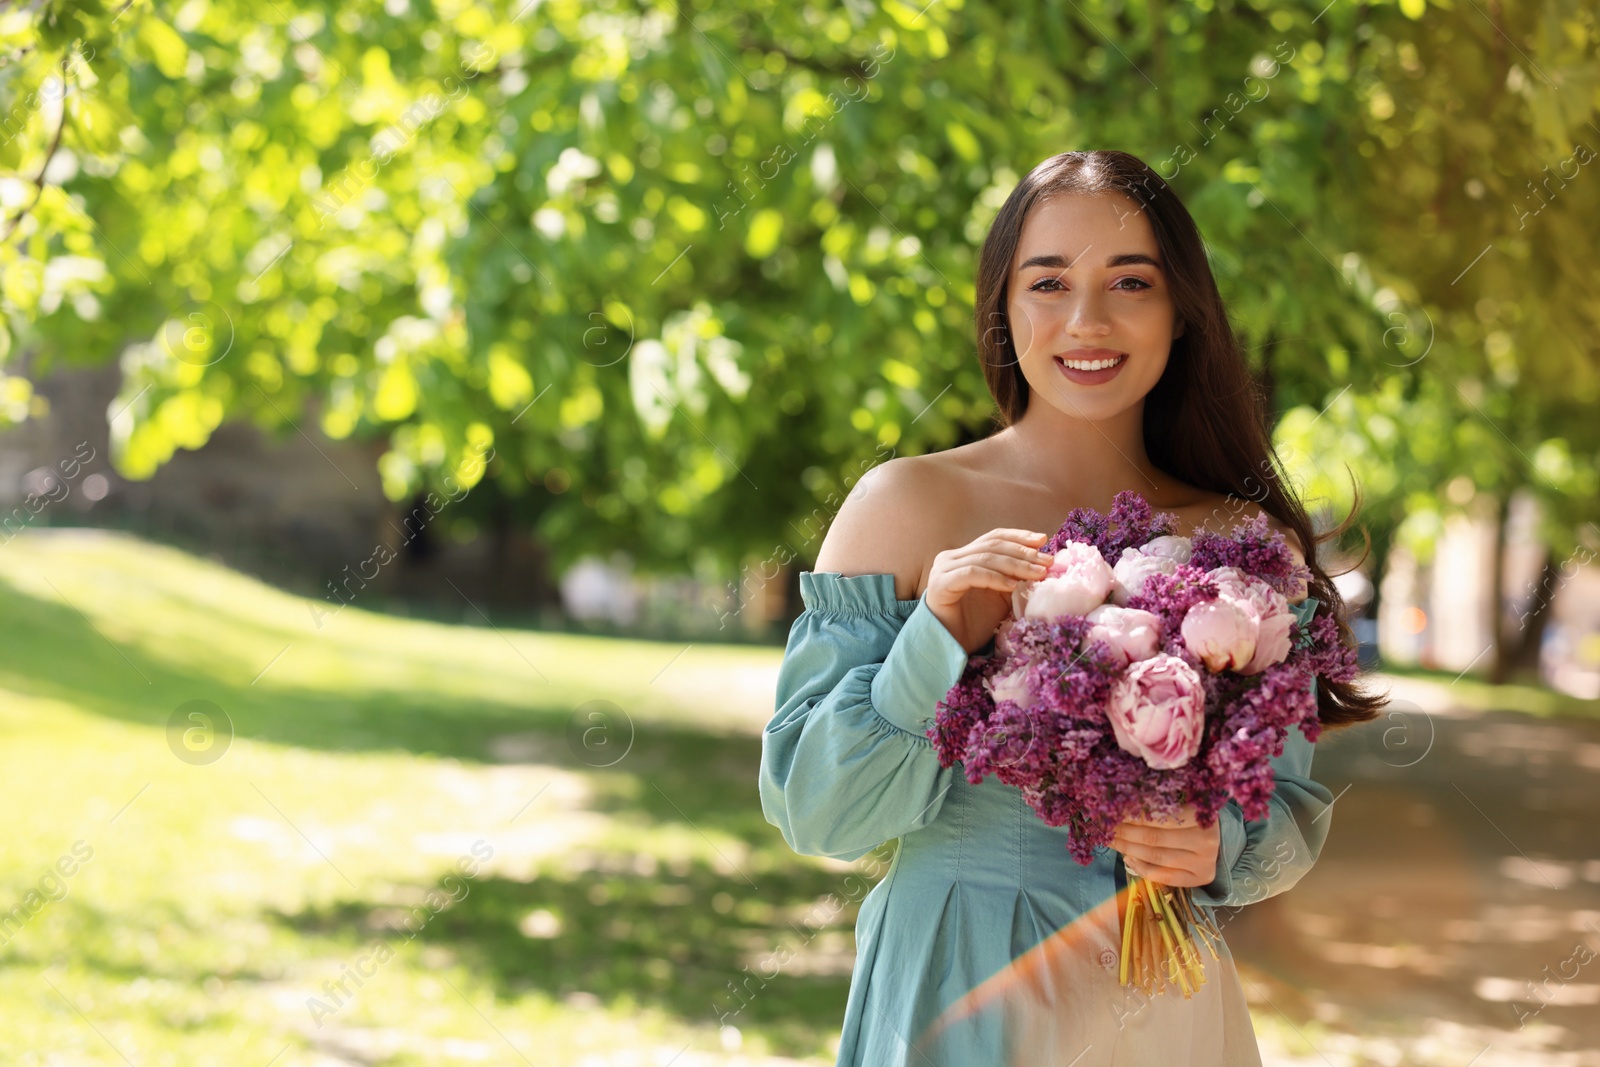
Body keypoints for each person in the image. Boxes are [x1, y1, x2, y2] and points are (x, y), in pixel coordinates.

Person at [758, 150, 1384, 1066]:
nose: (1087, 320)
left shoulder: (1246, 546)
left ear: (1182, 311)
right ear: (1003, 309)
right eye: (1048, 282)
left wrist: (1215, 842)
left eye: (1131, 281)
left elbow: (1285, 810)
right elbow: (819, 815)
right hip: (955, 995)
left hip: (1163, 1010)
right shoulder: (906, 507)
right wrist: (932, 639)